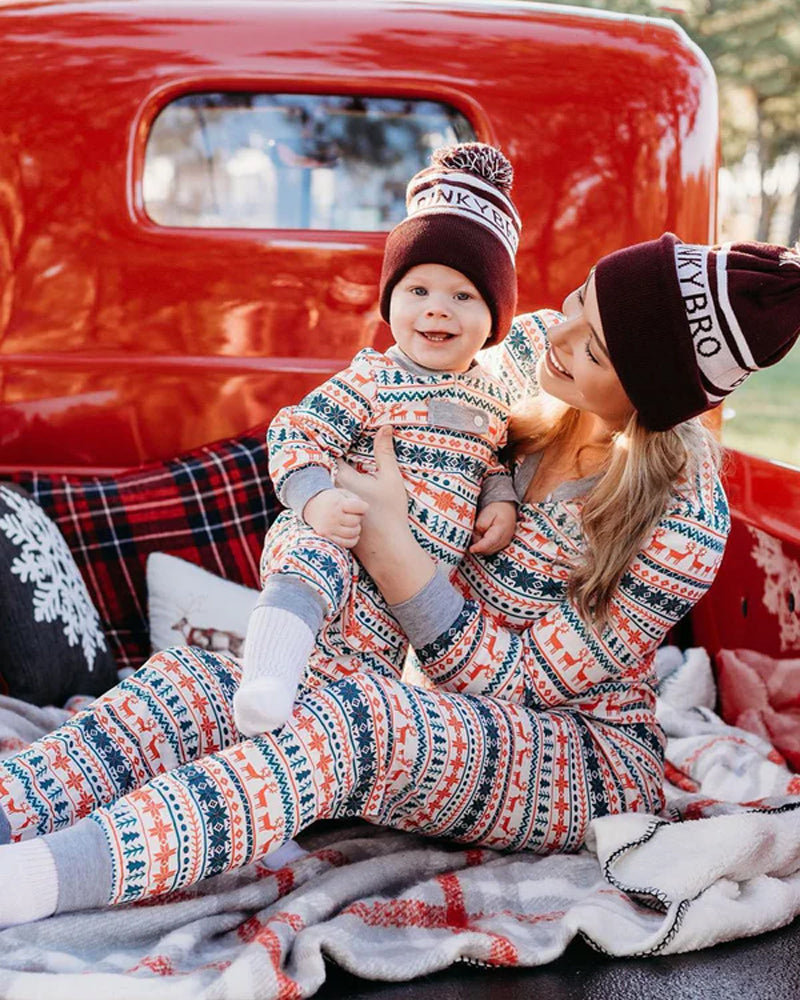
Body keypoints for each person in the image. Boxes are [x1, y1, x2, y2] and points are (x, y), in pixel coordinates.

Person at [0, 234, 798, 927]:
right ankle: (11, 810)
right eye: (578, 299)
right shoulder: (526, 354)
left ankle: (30, 886)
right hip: (433, 699)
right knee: (199, 680)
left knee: (356, 721)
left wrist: (389, 543)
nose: (561, 334)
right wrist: (324, 504)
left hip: (581, 756)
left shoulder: (684, 524)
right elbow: (403, 402)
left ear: (651, 399)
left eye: (595, 349)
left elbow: (515, 686)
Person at [234, 142, 521, 734]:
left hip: (407, 581)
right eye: (418, 291)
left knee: (362, 684)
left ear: (495, 317)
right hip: (341, 535)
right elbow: (297, 429)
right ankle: (265, 674)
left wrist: (500, 499)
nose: (437, 310)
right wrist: (315, 499)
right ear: (391, 302)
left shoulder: (493, 400)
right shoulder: (372, 378)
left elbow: (489, 460)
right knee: (310, 561)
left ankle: (319, 750)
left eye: (463, 296)